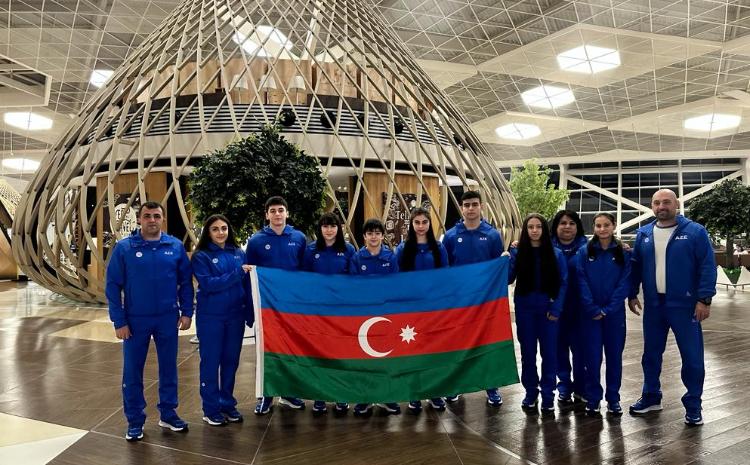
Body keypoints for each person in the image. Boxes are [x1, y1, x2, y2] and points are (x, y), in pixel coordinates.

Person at [105, 201, 194, 442]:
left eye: (156, 216)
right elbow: (112, 286)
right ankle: (135, 421)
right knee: (132, 371)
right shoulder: (124, 248)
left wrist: (187, 312)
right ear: (139, 219)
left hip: (167, 318)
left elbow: (185, 283)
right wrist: (119, 321)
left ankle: (168, 413)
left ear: (162, 219)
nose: (152, 220)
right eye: (147, 216)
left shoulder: (175, 247)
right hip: (135, 321)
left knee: (169, 368)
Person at [628, 189, 716, 426]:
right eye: (656, 202)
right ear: (652, 206)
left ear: (676, 204)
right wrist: (631, 293)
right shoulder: (643, 233)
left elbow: (707, 266)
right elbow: (635, 265)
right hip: (654, 305)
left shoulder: (695, 231)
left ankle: (694, 405)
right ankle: (651, 396)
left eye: (666, 202)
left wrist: (704, 299)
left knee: (692, 358)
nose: (661, 206)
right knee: (650, 355)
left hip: (685, 306)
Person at [246, 196, 307, 415]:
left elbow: (305, 272)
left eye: (281, 210)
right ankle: (266, 395)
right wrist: (250, 308)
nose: (277, 214)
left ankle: (287, 392)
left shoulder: (299, 238)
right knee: (266, 350)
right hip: (266, 308)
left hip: (291, 307)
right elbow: (249, 274)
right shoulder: (256, 241)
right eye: (272, 211)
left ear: (287, 213)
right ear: (267, 215)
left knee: (290, 350)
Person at [442, 190, 504, 406]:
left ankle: (491, 387)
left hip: (485, 302)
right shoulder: (450, 236)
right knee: (458, 345)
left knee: (487, 345)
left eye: (474, 204)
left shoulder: (493, 235)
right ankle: (456, 385)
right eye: (466, 205)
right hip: (460, 303)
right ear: (461, 208)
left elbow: (498, 267)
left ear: (481, 206)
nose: (470, 208)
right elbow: (446, 269)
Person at [192, 214, 253, 426]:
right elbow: (209, 284)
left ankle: (227, 403)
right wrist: (236, 274)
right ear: (208, 232)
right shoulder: (201, 256)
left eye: (224, 228)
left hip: (235, 316)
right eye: (215, 229)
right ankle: (210, 409)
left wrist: (249, 312)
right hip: (211, 317)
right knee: (211, 362)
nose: (220, 232)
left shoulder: (238, 253)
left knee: (230, 362)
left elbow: (247, 286)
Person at [507, 213, 567, 413]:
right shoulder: (518, 252)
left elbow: (563, 283)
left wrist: (556, 308)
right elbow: (508, 278)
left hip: (548, 311)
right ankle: (531, 392)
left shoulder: (556, 254)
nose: (534, 230)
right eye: (530, 227)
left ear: (544, 229)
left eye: (538, 227)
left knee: (549, 355)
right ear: (525, 230)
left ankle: (548, 395)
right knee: (527, 354)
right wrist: (508, 257)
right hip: (525, 310)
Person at [395, 207, 449, 413]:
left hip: (434, 310)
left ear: (430, 223)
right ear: (411, 224)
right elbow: (397, 279)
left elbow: (445, 277)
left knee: (434, 351)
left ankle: (435, 393)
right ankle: (415, 393)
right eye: (416, 222)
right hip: (411, 310)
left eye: (424, 222)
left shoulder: (439, 248)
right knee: (413, 351)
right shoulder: (403, 249)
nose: (420, 226)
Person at [575, 213, 630, 416]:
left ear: (614, 226)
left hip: (614, 316)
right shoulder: (584, 252)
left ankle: (613, 399)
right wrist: (592, 308)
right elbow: (581, 281)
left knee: (614, 357)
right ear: (594, 228)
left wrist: (609, 309)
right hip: (590, 316)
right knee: (592, 358)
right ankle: (593, 398)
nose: (602, 229)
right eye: (598, 225)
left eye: (606, 225)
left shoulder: (623, 252)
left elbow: (625, 282)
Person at [303, 212, 356, 414]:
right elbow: (303, 279)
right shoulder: (310, 251)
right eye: (325, 226)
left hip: (341, 312)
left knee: (340, 353)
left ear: (339, 228)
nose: (329, 230)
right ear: (320, 229)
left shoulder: (349, 250)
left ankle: (340, 394)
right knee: (320, 353)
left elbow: (354, 281)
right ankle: (320, 396)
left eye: (333, 226)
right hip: (318, 312)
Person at [350, 218, 400, 416]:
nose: (373, 237)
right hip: (363, 316)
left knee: (386, 357)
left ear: (382, 236)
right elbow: (353, 286)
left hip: (385, 315)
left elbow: (396, 284)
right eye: (370, 233)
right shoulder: (357, 258)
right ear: (364, 236)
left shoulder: (391, 257)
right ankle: (365, 398)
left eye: (377, 233)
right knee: (364, 359)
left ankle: (388, 397)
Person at [549, 210, 589, 404]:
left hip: (580, 308)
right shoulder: (546, 248)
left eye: (572, 223)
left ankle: (581, 387)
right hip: (555, 308)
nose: (567, 226)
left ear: (578, 227)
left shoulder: (589, 247)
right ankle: (564, 385)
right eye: (563, 223)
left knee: (581, 350)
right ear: (556, 227)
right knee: (559, 349)